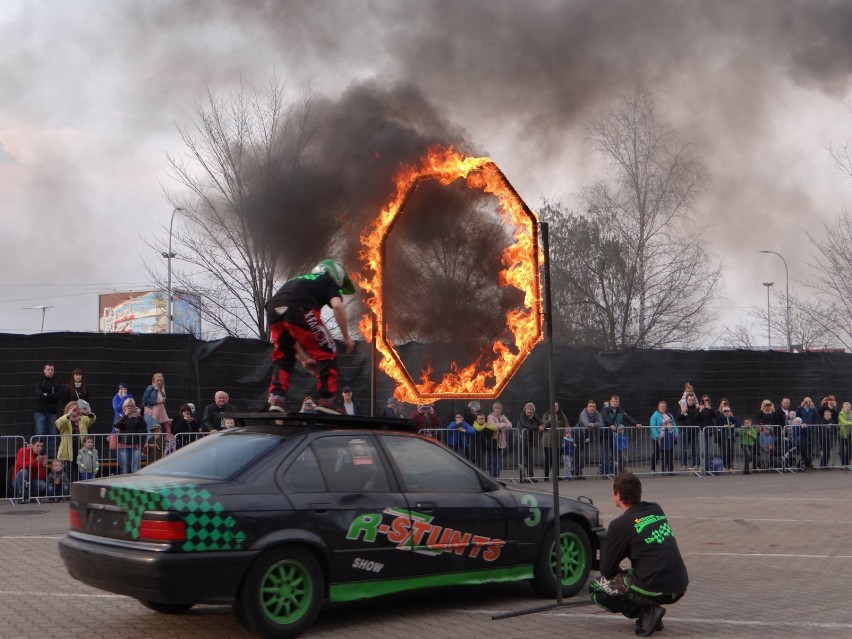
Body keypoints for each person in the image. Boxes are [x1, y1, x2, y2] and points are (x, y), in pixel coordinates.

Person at [589, 472, 688, 637]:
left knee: (597, 587)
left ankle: (645, 612)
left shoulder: (619, 525)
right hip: (679, 584)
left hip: (658, 587)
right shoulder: (655, 508)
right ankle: (651, 611)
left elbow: (606, 570)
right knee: (631, 573)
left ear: (617, 495)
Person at [266, 258, 356, 412]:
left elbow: (291, 336)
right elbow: (337, 306)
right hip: (301, 308)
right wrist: (346, 337)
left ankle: (277, 399)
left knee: (283, 355)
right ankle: (327, 401)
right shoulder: (328, 279)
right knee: (328, 350)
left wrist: (304, 359)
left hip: (273, 309)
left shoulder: (300, 280)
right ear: (337, 275)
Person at [56, 400, 96, 481]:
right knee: (69, 471)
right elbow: (58, 423)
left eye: (75, 408)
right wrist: (68, 414)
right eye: (71, 408)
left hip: (80, 449)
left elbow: (92, 418)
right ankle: (69, 490)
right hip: (68, 450)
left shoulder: (83, 419)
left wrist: (88, 412)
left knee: (80, 470)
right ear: (68, 410)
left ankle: (79, 489)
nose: (74, 410)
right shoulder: (65, 420)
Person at [601, 395, 640, 476]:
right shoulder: (605, 409)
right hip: (606, 435)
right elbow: (605, 418)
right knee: (606, 454)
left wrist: (636, 423)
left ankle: (618, 471)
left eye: (616, 401)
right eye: (613, 401)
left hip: (616, 436)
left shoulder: (620, 410)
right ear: (610, 401)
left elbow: (627, 418)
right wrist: (611, 424)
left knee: (618, 454)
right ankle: (605, 472)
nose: (615, 403)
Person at [34, 363, 61, 459]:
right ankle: (38, 454)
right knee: (40, 433)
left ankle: (52, 456)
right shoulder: (40, 382)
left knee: (52, 434)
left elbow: (59, 395)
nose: (50, 371)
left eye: (52, 369)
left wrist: (47, 395)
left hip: (52, 412)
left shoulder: (57, 382)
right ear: (44, 370)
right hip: (40, 411)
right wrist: (51, 396)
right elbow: (40, 396)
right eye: (48, 369)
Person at [114, 398, 147, 474]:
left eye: (132, 406)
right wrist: (125, 415)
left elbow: (143, 428)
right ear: (124, 407)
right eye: (127, 406)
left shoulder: (138, 417)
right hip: (123, 445)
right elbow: (116, 425)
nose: (130, 407)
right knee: (124, 469)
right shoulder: (120, 416)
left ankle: (134, 484)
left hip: (136, 446)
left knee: (135, 469)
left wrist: (140, 416)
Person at [542, 401, 571, 481]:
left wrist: (567, 430)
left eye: (557, 406)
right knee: (548, 459)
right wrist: (550, 420)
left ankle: (557, 476)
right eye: (553, 406)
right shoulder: (546, 414)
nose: (555, 407)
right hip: (548, 441)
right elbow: (542, 425)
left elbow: (566, 424)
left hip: (558, 441)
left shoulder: (562, 415)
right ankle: (546, 476)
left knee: (557, 459)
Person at [576, 399, 604, 479]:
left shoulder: (597, 413)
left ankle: (576, 470)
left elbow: (601, 423)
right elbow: (586, 424)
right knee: (577, 455)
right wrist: (594, 425)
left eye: (593, 406)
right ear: (587, 407)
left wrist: (594, 424)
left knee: (587, 456)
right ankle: (576, 473)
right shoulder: (583, 413)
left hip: (586, 437)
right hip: (578, 435)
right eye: (590, 406)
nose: (592, 408)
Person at [516, 402, 542, 483]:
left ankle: (531, 477)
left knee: (530, 459)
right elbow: (526, 425)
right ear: (525, 410)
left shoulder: (535, 416)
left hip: (530, 440)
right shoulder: (522, 416)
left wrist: (543, 426)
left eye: (531, 409)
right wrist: (538, 427)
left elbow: (540, 422)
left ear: (533, 411)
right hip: (521, 439)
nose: (529, 411)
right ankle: (521, 477)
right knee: (521, 459)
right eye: (528, 409)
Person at [486, 401, 513, 478]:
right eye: (496, 408)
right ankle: (492, 476)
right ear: (493, 409)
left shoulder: (503, 417)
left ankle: (497, 476)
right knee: (492, 459)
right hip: (493, 441)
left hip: (501, 441)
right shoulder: (490, 417)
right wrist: (503, 425)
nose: (498, 410)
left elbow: (510, 425)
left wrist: (500, 426)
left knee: (498, 459)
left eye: (499, 408)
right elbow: (493, 426)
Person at [648, 401, 676, 474]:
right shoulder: (655, 415)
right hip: (658, 437)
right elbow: (653, 426)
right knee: (656, 452)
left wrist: (676, 433)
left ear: (666, 407)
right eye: (661, 406)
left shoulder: (669, 415)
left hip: (668, 437)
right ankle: (653, 469)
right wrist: (657, 436)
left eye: (664, 406)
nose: (662, 408)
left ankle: (669, 469)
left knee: (669, 453)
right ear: (658, 407)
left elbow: (674, 424)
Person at [677, 392, 700, 471]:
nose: (691, 401)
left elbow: (694, 418)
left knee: (695, 449)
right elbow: (678, 419)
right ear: (687, 400)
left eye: (692, 400)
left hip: (694, 432)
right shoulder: (683, 408)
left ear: (694, 400)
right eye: (689, 400)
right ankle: (683, 464)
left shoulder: (697, 409)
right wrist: (683, 412)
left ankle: (694, 464)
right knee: (684, 449)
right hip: (685, 432)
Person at [716, 405, 740, 471]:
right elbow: (718, 424)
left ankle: (730, 465)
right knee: (723, 450)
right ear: (723, 412)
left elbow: (739, 423)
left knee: (730, 450)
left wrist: (733, 425)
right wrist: (724, 426)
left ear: (730, 412)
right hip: (723, 437)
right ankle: (723, 465)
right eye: (725, 412)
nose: (726, 413)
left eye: (727, 411)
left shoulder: (732, 418)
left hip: (730, 437)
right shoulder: (721, 418)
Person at [838, 401, 852, 469]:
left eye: (848, 407)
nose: (847, 408)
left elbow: (847, 422)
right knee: (842, 450)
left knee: (849, 450)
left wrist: (849, 423)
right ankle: (843, 465)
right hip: (842, 435)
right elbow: (843, 422)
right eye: (846, 407)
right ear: (843, 407)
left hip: (850, 435)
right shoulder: (840, 414)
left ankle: (848, 464)